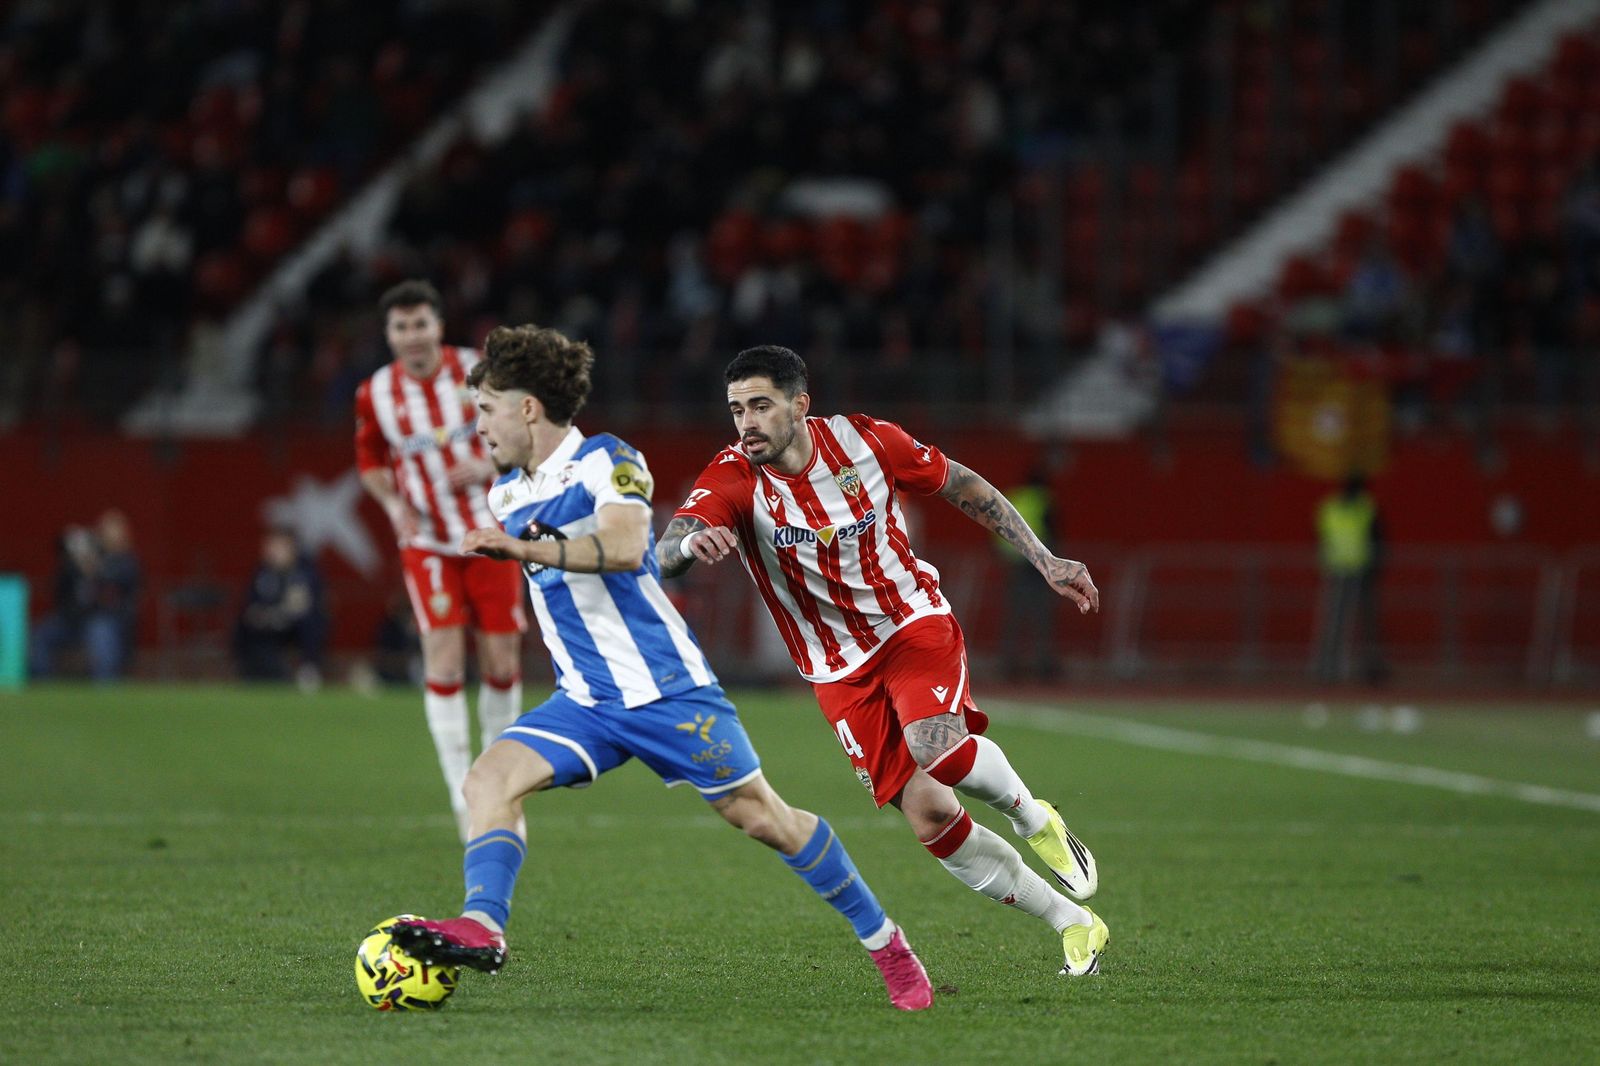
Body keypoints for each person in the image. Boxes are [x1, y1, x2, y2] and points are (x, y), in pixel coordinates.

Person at [390, 325, 934, 1011]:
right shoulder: (506, 493)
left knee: (766, 819)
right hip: (585, 701)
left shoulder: (609, 461)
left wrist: (523, 552)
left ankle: (886, 942)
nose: (479, 428)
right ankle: (483, 926)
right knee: (488, 781)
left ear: (527, 407)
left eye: (486, 410)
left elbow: (624, 549)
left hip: (666, 691)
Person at [657, 345, 1108, 978]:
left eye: (760, 405)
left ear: (799, 405)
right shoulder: (734, 476)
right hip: (836, 669)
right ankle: (1073, 922)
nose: (747, 423)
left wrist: (1045, 559)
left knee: (937, 746)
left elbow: (962, 485)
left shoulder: (868, 443)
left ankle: (1034, 816)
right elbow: (669, 544)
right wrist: (688, 544)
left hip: (909, 625)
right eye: (736, 410)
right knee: (930, 817)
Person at [355, 279, 527, 839]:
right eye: (401, 327)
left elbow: (527, 434)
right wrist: (389, 503)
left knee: (501, 659)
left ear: (438, 325)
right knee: (444, 659)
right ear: (389, 334)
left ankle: (500, 783)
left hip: (491, 532)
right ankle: (463, 796)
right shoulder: (374, 394)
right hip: (427, 542)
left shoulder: (480, 371)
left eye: (421, 324)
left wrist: (491, 467)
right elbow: (371, 462)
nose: (413, 336)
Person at [30, 510, 141, 682]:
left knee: (101, 633)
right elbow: (59, 579)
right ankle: (43, 686)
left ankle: (106, 687)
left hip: (104, 619)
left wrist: (91, 565)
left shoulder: (126, 561)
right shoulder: (87, 555)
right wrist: (74, 548)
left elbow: (117, 579)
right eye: (105, 530)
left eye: (114, 531)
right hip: (71, 620)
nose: (109, 535)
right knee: (40, 635)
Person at [1313, 474, 1387, 684]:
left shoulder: (1362, 508)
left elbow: (1377, 537)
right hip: (1340, 571)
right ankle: (1328, 668)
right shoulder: (1334, 508)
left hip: (1359, 572)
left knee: (1364, 624)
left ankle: (1369, 668)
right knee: (1335, 623)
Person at [233, 528, 328, 687]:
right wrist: (260, 614)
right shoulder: (262, 571)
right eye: (270, 546)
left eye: (278, 546)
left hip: (295, 625)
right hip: (269, 624)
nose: (271, 551)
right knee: (243, 624)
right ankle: (250, 669)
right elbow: (251, 602)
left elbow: (307, 603)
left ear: (291, 547)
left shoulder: (306, 570)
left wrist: (283, 613)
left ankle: (309, 668)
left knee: (313, 621)